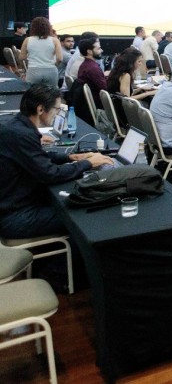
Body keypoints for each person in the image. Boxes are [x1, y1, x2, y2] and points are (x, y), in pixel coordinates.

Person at [0, 84, 113, 239]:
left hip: (15, 207)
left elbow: (37, 157)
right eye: (56, 109)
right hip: (17, 217)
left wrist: (70, 157)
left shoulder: (17, 125)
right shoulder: (22, 135)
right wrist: (88, 163)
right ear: (41, 109)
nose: (57, 114)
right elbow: (50, 174)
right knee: (85, 215)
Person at [19, 16, 62, 87]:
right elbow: (60, 59)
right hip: (51, 70)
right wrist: (54, 65)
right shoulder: (55, 40)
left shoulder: (27, 40)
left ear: (33, 28)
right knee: (52, 92)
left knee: (32, 92)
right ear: (48, 27)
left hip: (33, 70)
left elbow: (21, 57)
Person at [75, 38, 107, 107]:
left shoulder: (85, 65)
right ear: (89, 51)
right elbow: (105, 88)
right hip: (99, 104)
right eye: (98, 49)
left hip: (88, 103)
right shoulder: (93, 68)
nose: (102, 50)